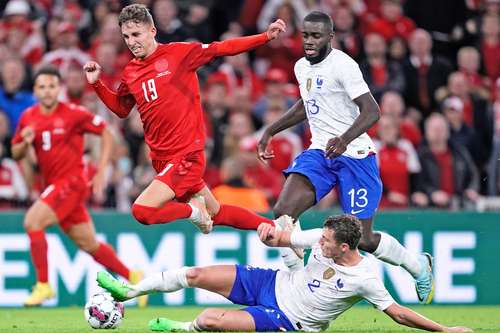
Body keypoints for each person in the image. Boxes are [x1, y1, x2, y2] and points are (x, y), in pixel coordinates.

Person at [256, 11, 434, 304]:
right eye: (305, 35)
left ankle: (417, 265)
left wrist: (345, 139)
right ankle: (295, 282)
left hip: (355, 156)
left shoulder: (343, 65)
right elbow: (307, 104)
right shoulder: (302, 67)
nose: (309, 42)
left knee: (360, 239)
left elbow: (372, 110)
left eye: (316, 36)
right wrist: (270, 131)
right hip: (321, 152)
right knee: (283, 212)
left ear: (329, 37)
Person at [83, 4, 289, 236]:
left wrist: (264, 36)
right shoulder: (131, 71)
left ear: (152, 31)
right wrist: (97, 83)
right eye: (126, 36)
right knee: (216, 213)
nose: (131, 41)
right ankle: (279, 229)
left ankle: (192, 211)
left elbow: (223, 48)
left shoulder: (179, 54)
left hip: (186, 157)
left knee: (142, 211)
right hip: (162, 160)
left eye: (136, 34)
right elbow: (121, 109)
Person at [95, 215, 472, 333]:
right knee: (193, 274)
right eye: (320, 237)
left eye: (325, 241)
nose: (318, 243)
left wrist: (445, 330)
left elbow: (399, 313)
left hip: (287, 318)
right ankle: (128, 292)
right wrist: (275, 233)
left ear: (344, 247)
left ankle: (180, 329)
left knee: (209, 320)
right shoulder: (322, 241)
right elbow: (287, 241)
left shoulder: (366, 277)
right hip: (271, 283)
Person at [11, 66, 144, 307]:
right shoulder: (28, 117)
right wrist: (24, 143)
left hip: (71, 183)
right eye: (42, 87)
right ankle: (134, 277)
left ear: (59, 88)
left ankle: (43, 285)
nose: (48, 91)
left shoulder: (73, 113)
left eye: (52, 86)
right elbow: (15, 151)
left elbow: (106, 132)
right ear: (35, 90)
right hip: (54, 186)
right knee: (89, 244)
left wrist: (102, 169)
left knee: (32, 221)